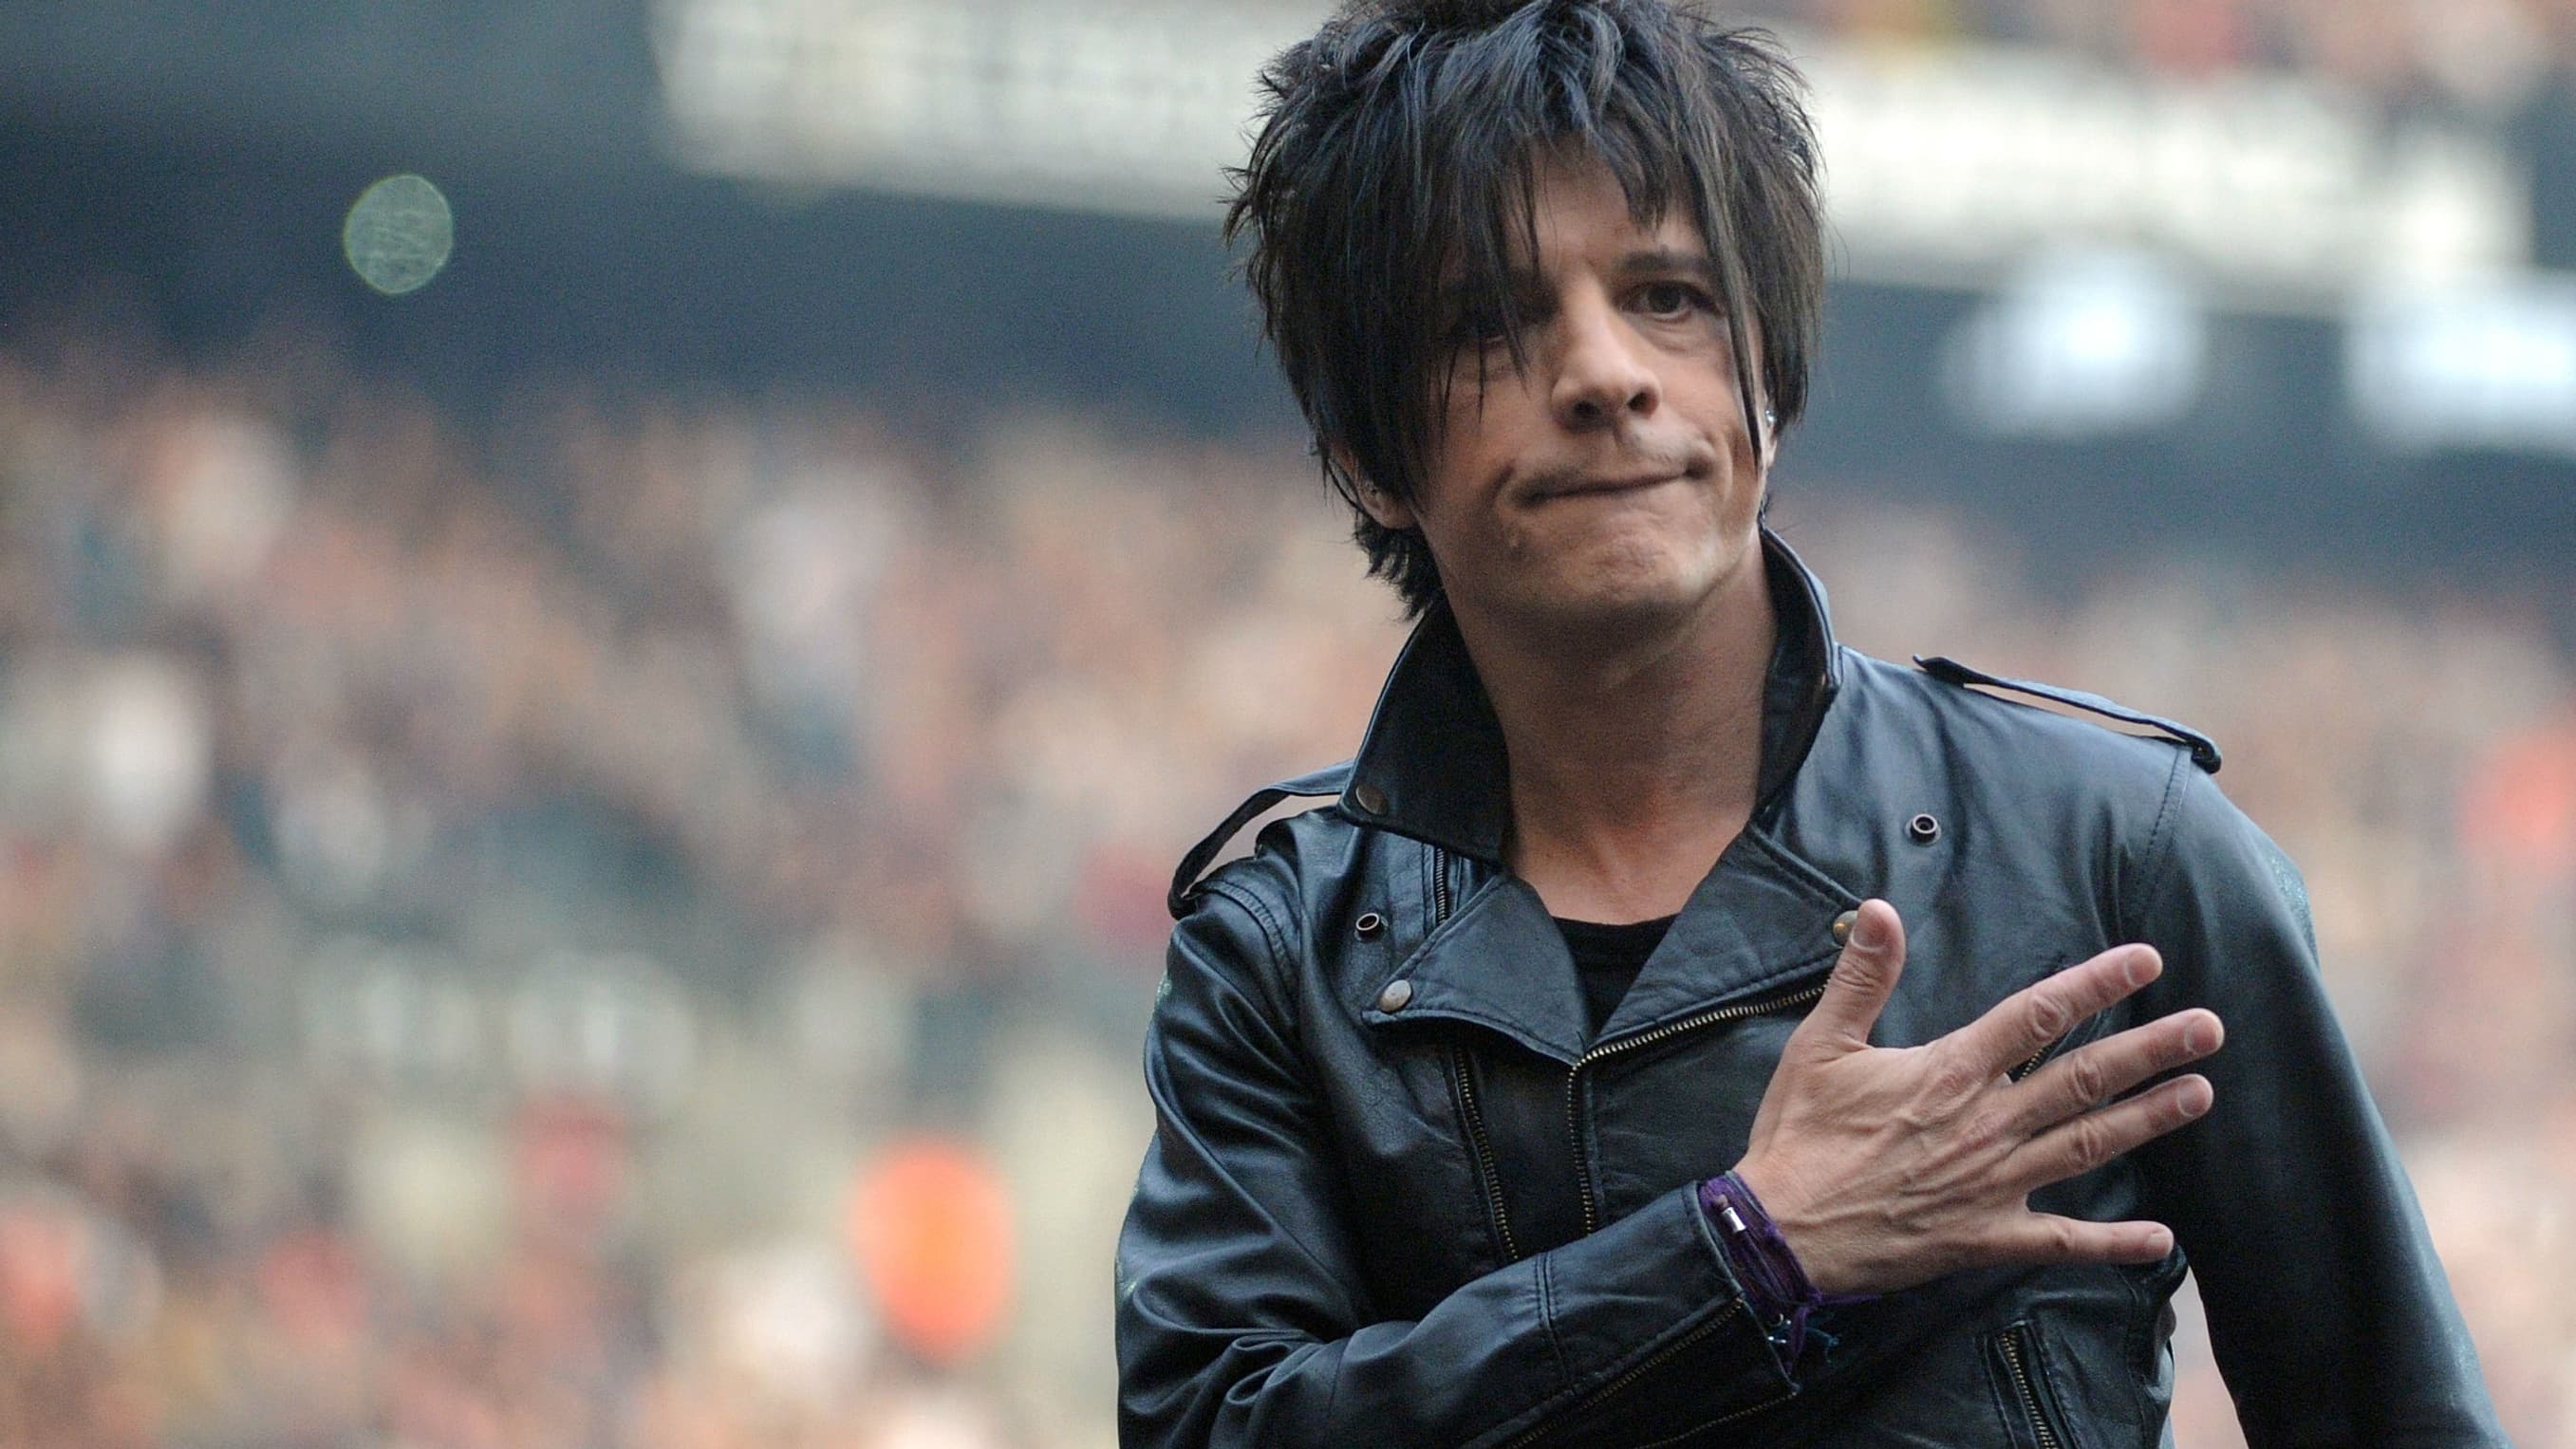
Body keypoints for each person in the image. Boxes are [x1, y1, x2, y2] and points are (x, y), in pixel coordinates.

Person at [1113, 1, 2506, 1442]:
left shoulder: (2111, 853)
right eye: (1488, 321)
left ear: (1768, 378)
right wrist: (1745, 1255)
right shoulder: (1279, 952)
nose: (1601, 373)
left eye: (1667, 295)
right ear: (1367, 454)